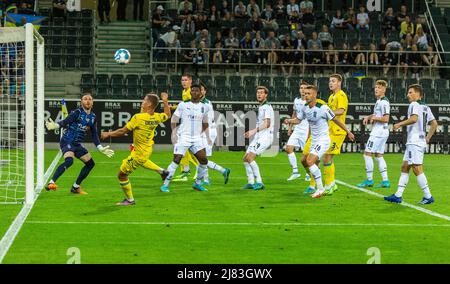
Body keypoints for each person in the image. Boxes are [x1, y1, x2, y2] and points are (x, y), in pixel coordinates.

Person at [100, 92, 171, 205]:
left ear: (149, 104)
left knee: (121, 175)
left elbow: (123, 131)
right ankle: (162, 171)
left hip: (138, 154)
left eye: (144, 100)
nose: (142, 102)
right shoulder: (157, 117)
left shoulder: (138, 118)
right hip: (146, 150)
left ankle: (130, 200)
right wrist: (165, 101)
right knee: (143, 161)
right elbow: (167, 114)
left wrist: (108, 134)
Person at [284, 85, 354, 198]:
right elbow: (298, 119)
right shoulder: (305, 107)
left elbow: (335, 120)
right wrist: (289, 120)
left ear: (315, 94)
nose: (306, 96)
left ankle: (321, 188)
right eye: (305, 93)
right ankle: (319, 187)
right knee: (307, 161)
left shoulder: (323, 108)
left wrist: (348, 132)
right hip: (313, 140)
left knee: (310, 161)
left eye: (309, 93)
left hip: (323, 140)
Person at [44, 91, 115, 194]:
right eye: (85, 99)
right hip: (67, 141)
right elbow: (65, 122)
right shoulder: (76, 113)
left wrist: (100, 147)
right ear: (81, 102)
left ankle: (75, 187)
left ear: (92, 102)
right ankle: (51, 182)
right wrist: (55, 125)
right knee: (69, 161)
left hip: (77, 144)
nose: (88, 101)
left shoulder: (93, 117)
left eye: (90, 99)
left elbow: (94, 134)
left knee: (90, 164)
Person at [385, 84, 438, 205]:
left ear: (418, 94)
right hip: (417, 141)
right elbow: (434, 123)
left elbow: (414, 119)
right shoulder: (425, 107)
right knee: (405, 166)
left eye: (410, 92)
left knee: (416, 168)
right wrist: (427, 137)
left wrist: (399, 124)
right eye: (408, 92)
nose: (408, 95)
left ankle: (428, 196)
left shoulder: (414, 104)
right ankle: (398, 195)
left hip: (414, 142)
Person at [161, 84, 211, 192]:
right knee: (176, 160)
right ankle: (165, 185)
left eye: (196, 91)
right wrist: (174, 133)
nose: (193, 92)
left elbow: (205, 122)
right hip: (183, 137)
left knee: (203, 160)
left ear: (201, 93)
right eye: (192, 90)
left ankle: (197, 184)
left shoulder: (205, 107)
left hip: (197, 138)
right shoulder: (183, 105)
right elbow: (174, 119)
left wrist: (203, 134)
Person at [356, 80, 391, 189]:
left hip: (378, 132)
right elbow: (377, 114)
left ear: (384, 89)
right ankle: (385, 181)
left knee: (367, 154)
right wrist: (369, 116)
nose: (376, 89)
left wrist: (374, 118)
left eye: (379, 88)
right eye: (376, 87)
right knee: (379, 155)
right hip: (383, 132)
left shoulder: (384, 102)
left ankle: (369, 180)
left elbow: (386, 118)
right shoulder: (379, 101)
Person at [198, 83, 231, 185]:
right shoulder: (196, 103)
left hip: (207, 131)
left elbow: (208, 120)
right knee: (201, 158)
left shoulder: (206, 103)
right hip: (203, 131)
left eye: (202, 90)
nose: (199, 91)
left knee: (202, 158)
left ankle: (218, 173)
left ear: (204, 91)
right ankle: (210, 178)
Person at [242, 86, 274, 190]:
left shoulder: (267, 107)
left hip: (265, 137)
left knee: (250, 158)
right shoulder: (261, 107)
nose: (259, 94)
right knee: (245, 158)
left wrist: (253, 131)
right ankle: (251, 182)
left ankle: (260, 182)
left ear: (266, 95)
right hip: (258, 136)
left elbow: (267, 123)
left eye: (261, 93)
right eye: (258, 93)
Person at [172, 74, 200, 181]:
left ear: (190, 81)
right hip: (186, 124)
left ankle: (197, 169)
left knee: (191, 149)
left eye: (186, 80)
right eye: (182, 80)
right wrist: (174, 107)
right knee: (183, 147)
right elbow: (184, 104)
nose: (184, 82)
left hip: (193, 125)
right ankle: (186, 171)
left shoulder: (192, 92)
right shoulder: (184, 92)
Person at [285, 81, 310, 181]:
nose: (303, 90)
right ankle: (295, 171)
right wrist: (290, 128)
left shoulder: (310, 102)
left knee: (306, 154)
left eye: (305, 88)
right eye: (301, 88)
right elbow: (294, 114)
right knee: (288, 148)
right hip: (297, 129)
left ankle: (309, 173)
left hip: (306, 130)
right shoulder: (296, 100)